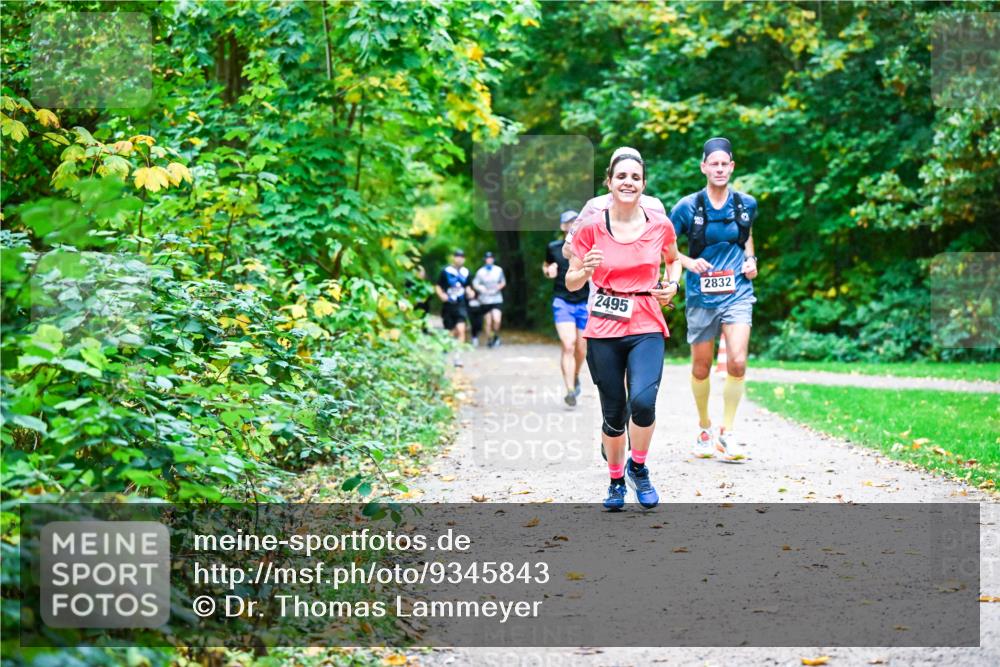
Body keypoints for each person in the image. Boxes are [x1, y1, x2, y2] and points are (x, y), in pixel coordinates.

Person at [565, 152, 681, 511]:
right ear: (610, 183)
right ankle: (616, 480)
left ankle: (639, 468)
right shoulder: (589, 227)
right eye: (621, 176)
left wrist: (672, 285)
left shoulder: (660, 224)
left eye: (635, 176)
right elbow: (571, 283)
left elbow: (674, 260)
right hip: (603, 325)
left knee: (643, 403)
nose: (628, 181)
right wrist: (585, 269)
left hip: (646, 319)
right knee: (614, 415)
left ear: (643, 184)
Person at [669, 137, 759, 463]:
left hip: (737, 292)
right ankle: (705, 428)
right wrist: (688, 262)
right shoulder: (686, 207)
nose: (719, 169)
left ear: (732, 166)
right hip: (700, 296)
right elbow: (664, 246)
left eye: (725, 164)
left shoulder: (745, 204)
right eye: (714, 164)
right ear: (704, 167)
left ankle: (728, 432)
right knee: (702, 367)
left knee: (737, 361)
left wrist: (752, 262)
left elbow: (747, 238)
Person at [543, 210, 590, 407]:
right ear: (563, 227)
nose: (572, 224)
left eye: (575, 221)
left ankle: (576, 374)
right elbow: (546, 266)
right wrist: (548, 271)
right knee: (568, 345)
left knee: (581, 349)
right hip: (562, 300)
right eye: (568, 222)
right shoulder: (553, 248)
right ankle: (570, 389)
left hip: (585, 302)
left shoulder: (589, 248)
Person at [435, 249, 475, 367]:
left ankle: (458, 357)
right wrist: (442, 295)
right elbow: (438, 286)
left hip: (461, 304)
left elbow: (467, 286)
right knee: (450, 331)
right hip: (448, 305)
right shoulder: (445, 271)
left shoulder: (466, 272)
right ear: (453, 258)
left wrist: (471, 292)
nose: (459, 259)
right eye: (457, 256)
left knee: (461, 329)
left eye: (462, 257)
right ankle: (444, 347)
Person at [473, 251, 506, 348]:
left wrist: (498, 287)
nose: (489, 260)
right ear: (485, 260)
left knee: (497, 319)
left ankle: (496, 335)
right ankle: (489, 339)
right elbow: (475, 283)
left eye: (491, 258)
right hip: (485, 299)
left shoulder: (499, 270)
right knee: (488, 321)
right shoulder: (480, 272)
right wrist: (481, 288)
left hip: (496, 298)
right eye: (487, 258)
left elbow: (503, 282)